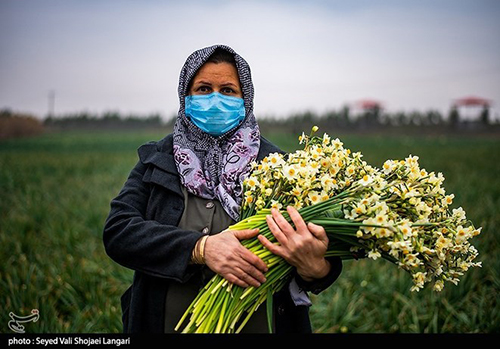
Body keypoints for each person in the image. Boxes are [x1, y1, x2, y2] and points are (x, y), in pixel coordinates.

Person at [103, 44, 342, 334]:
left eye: (228, 90)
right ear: (186, 96)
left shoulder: (281, 167)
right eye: (203, 89)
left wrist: (314, 267)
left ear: (246, 98)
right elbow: (119, 231)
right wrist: (200, 248)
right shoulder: (158, 159)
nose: (215, 99)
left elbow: (322, 263)